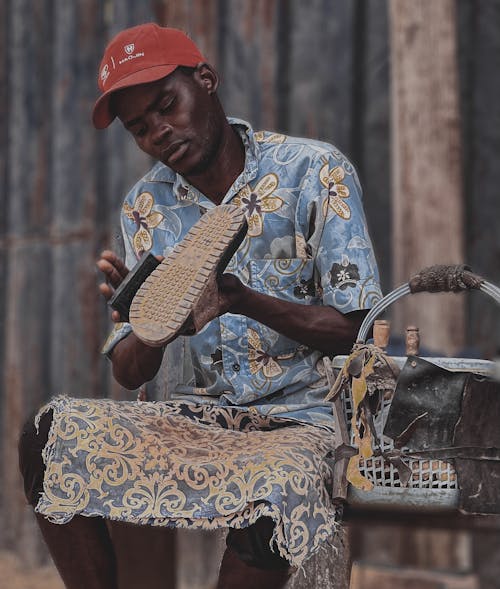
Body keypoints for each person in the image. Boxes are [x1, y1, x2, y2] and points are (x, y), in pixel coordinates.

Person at [18, 23, 382, 589]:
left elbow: (355, 330)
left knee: (280, 489)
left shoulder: (314, 172)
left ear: (205, 80)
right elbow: (129, 371)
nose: (160, 132)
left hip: (305, 422)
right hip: (197, 419)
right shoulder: (146, 207)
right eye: (140, 128)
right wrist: (151, 322)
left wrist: (238, 299)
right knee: (50, 437)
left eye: (168, 105)